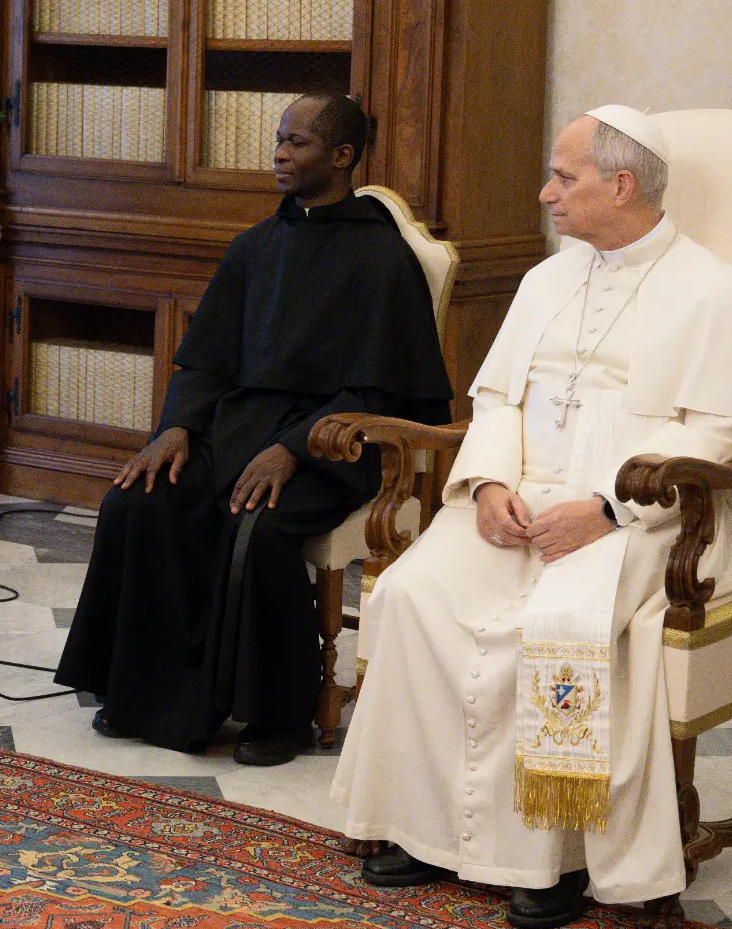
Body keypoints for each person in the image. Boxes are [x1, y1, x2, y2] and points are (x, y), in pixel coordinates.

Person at [333, 105, 732, 929]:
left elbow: (726, 431)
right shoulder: (546, 281)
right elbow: (497, 401)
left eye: (563, 176)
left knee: (548, 627)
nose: (546, 192)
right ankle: (424, 829)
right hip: (520, 505)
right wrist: (487, 484)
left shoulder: (716, 294)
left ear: (621, 185)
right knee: (411, 595)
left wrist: (609, 507)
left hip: (651, 523)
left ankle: (549, 860)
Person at [53, 94, 453, 765]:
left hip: (336, 443)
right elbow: (205, 361)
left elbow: (380, 388)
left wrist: (293, 449)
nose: (280, 154)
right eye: (279, 139)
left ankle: (280, 715)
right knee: (139, 500)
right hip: (238, 431)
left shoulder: (383, 259)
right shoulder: (255, 247)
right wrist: (177, 428)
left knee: (259, 529)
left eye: (297, 142)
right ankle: (145, 695)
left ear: (342, 156)